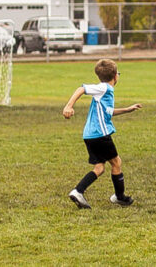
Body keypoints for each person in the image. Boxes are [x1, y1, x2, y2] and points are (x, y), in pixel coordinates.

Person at [62, 59, 142, 208]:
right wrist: (68, 106)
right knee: (116, 162)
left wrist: (128, 109)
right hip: (100, 134)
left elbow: (108, 112)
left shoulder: (105, 93)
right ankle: (119, 197)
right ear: (115, 76)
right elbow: (81, 89)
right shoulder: (104, 88)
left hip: (90, 135)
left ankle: (78, 191)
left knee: (99, 168)